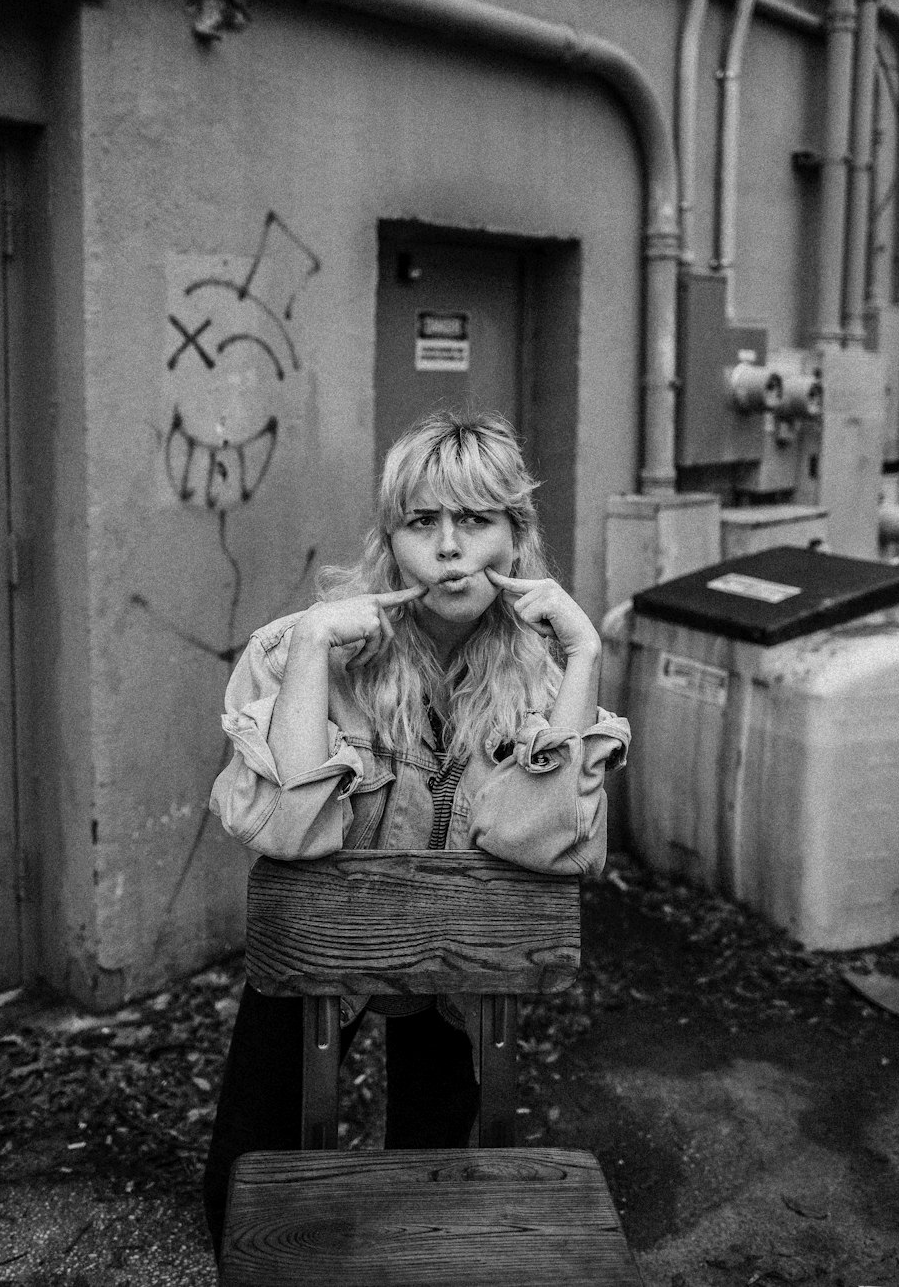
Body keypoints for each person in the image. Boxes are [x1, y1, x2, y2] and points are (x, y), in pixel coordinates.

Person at [202, 409, 630, 1256]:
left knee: (430, 1182)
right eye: (421, 522)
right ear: (389, 539)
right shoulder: (306, 648)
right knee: (242, 1197)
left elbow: (548, 845)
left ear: (516, 535)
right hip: (319, 939)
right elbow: (289, 828)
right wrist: (320, 650)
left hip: (462, 957)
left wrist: (583, 660)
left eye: (475, 520)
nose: (448, 548)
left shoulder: (546, 667)